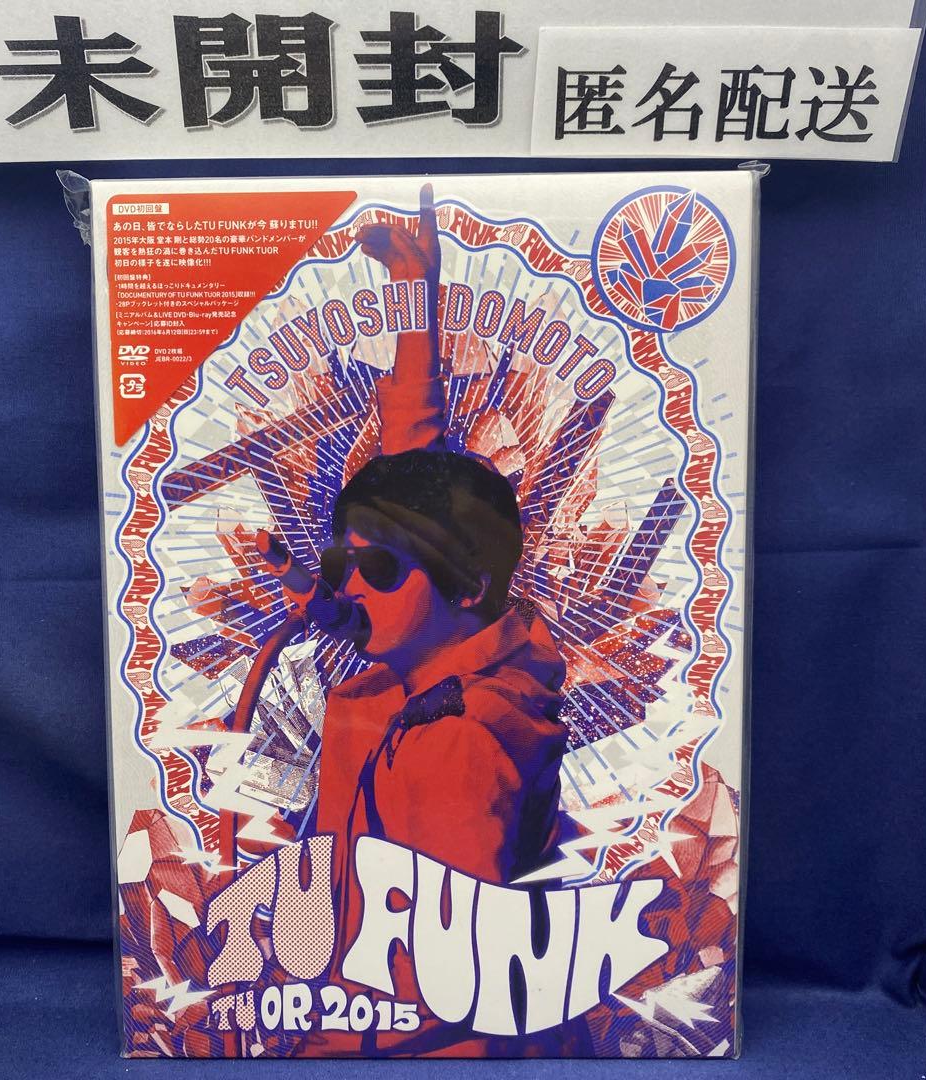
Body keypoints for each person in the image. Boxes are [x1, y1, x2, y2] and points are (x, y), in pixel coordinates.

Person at [260, 186, 568, 1053]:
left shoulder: (456, 744)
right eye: (344, 562)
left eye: (380, 570)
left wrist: (326, 1037)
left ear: (468, 586)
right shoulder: (444, 654)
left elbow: (455, 989)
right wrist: (415, 298)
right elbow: (414, 465)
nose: (353, 589)